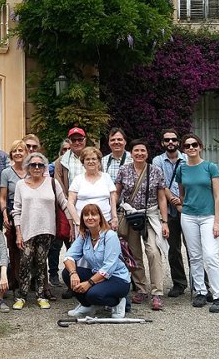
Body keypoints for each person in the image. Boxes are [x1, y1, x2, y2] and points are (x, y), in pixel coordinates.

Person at [12, 152, 80, 310]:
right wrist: (18, 232)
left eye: (40, 165)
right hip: (27, 230)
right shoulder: (20, 185)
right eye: (33, 165)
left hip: (46, 230)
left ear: (44, 167)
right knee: (25, 262)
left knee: (42, 263)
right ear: (28, 167)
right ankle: (22, 296)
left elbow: (64, 204)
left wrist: (72, 223)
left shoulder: (52, 183)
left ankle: (41, 295)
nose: (36, 168)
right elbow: (16, 210)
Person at [114, 139, 169, 311]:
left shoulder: (155, 171)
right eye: (136, 150)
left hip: (150, 215)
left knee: (153, 251)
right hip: (130, 215)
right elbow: (116, 193)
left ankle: (157, 292)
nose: (139, 153)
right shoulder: (123, 170)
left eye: (143, 151)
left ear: (147, 153)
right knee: (133, 253)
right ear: (131, 153)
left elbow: (161, 197)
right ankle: (141, 288)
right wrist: (114, 214)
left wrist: (164, 221)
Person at [175, 133, 219, 313]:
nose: (191, 148)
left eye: (194, 144)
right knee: (194, 256)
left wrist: (217, 221)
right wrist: (182, 207)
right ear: (183, 149)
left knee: (211, 255)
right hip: (189, 216)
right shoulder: (181, 169)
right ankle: (200, 291)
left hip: (207, 216)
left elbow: (218, 196)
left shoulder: (210, 167)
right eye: (187, 145)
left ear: (200, 146)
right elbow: (182, 193)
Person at [62, 204, 130, 319]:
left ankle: (118, 301)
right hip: (97, 275)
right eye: (86, 215)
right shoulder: (84, 235)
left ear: (100, 218)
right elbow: (68, 257)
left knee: (93, 294)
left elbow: (108, 268)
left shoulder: (110, 236)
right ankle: (86, 306)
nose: (90, 217)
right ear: (82, 219)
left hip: (117, 278)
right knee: (66, 273)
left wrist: (89, 283)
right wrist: (73, 273)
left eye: (93, 214)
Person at [152, 129, 189, 298]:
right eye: (167, 140)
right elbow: (161, 184)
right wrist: (174, 200)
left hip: (189, 207)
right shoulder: (157, 160)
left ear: (178, 141)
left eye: (173, 139)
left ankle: (202, 285)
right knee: (173, 249)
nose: (170, 142)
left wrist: (183, 201)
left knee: (194, 249)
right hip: (170, 210)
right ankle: (179, 283)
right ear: (162, 143)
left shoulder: (187, 158)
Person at [50, 127, 87, 294]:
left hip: (91, 208)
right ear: (69, 142)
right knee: (73, 245)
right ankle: (73, 282)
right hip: (70, 209)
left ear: (85, 140)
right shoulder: (60, 162)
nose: (77, 142)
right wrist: (70, 213)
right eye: (74, 140)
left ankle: (90, 280)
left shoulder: (92, 157)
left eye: (80, 139)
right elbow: (59, 188)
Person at [0, 139, 27, 290]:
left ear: (26, 152)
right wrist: (4, 215)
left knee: (30, 248)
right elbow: (2, 197)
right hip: (11, 211)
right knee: (14, 248)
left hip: (30, 212)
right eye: (14, 151)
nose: (18, 153)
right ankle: (15, 280)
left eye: (20, 150)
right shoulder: (6, 173)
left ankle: (32, 281)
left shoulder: (33, 170)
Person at [69, 147, 118, 229]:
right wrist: (78, 222)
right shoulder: (77, 179)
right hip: (83, 224)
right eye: (87, 159)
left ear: (99, 162)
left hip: (105, 222)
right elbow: (70, 203)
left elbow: (113, 198)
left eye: (94, 159)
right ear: (83, 162)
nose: (91, 162)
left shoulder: (106, 177)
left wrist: (114, 217)